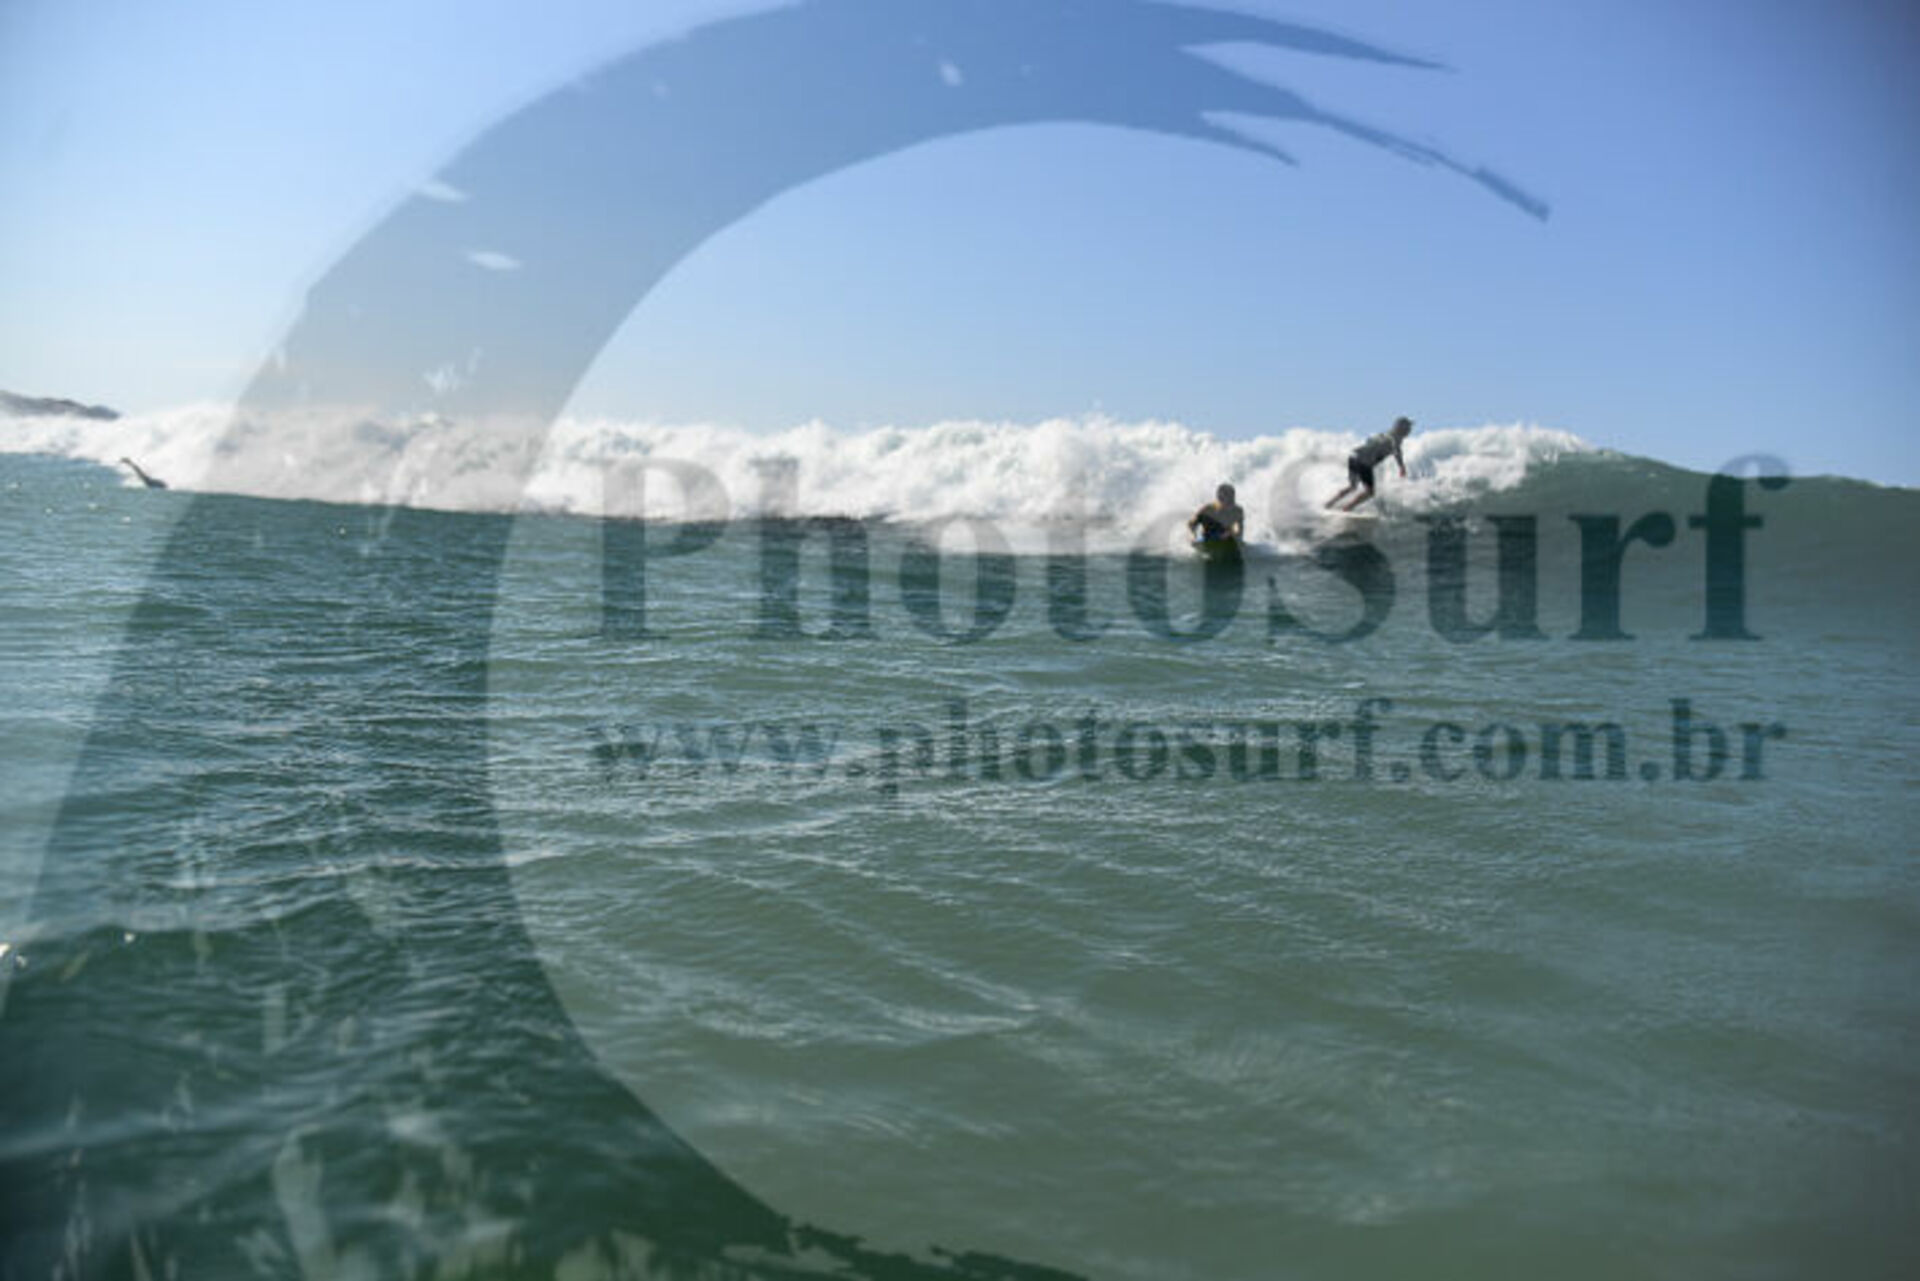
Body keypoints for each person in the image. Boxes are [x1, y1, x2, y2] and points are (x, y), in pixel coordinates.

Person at [1325, 416, 1411, 511]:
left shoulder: (1384, 434)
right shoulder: (1395, 438)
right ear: (1401, 428)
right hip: (1363, 462)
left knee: (1353, 487)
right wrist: (1401, 467)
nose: (1409, 430)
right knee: (1370, 492)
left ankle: (1328, 504)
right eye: (1408, 428)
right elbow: (1396, 450)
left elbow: (1369, 441)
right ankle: (1347, 508)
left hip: (1354, 456)